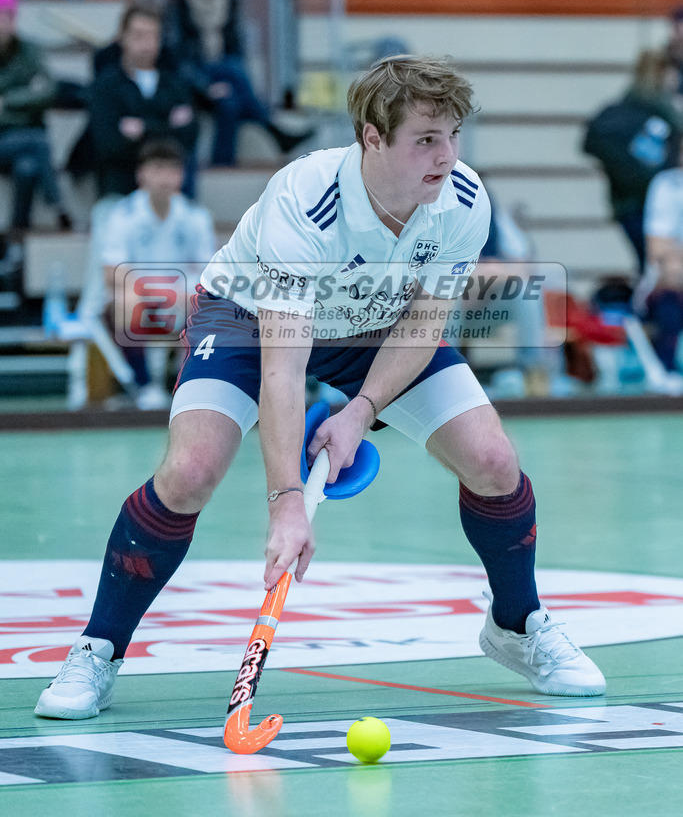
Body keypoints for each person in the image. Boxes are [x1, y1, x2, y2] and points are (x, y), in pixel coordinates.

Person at [34, 54, 605, 721]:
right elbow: (282, 365)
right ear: (371, 136)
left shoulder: (462, 199)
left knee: (492, 460)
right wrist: (285, 505)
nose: (446, 155)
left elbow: (425, 323)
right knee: (189, 471)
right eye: (425, 138)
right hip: (247, 319)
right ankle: (99, 646)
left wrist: (360, 410)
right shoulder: (305, 200)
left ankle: (516, 624)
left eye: (452, 135)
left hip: (376, 325)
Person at [90, 139, 215, 410]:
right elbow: (112, 271)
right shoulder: (123, 214)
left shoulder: (195, 216)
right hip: (142, 298)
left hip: (182, 299)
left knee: (207, 303)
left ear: (182, 175)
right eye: (157, 169)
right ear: (141, 174)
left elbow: (209, 271)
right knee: (126, 302)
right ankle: (144, 384)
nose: (164, 178)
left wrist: (184, 294)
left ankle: (185, 383)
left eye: (172, 170)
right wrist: (154, 292)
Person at [163, 0, 313, 166]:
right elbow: (178, 61)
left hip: (225, 77)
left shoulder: (228, 1)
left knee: (229, 103)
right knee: (233, 70)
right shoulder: (177, 7)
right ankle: (271, 127)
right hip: (194, 80)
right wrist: (206, 87)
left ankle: (222, 164)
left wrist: (220, 86)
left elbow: (236, 48)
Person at [583, 49, 682, 272]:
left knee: (650, 266)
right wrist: (637, 175)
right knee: (657, 267)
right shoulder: (652, 112)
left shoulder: (631, 109)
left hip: (632, 202)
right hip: (639, 203)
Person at [88, 3, 199, 198]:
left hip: (171, 195)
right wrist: (166, 127)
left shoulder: (174, 84)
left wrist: (142, 129)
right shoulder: (106, 85)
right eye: (139, 36)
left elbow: (187, 138)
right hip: (120, 191)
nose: (147, 44)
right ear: (122, 37)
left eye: (153, 36)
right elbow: (107, 144)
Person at [0, 0, 69, 234]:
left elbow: (49, 90)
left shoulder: (29, 50)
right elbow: (37, 92)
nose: (3, 22)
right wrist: (28, 94)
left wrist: (7, 102)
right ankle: (58, 204)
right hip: (10, 138)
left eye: (7, 15)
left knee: (27, 167)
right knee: (38, 142)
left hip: (21, 136)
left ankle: (18, 236)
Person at [641, 138, 683, 372]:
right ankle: (667, 368)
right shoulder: (667, 185)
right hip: (668, 283)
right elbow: (658, 253)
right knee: (672, 277)